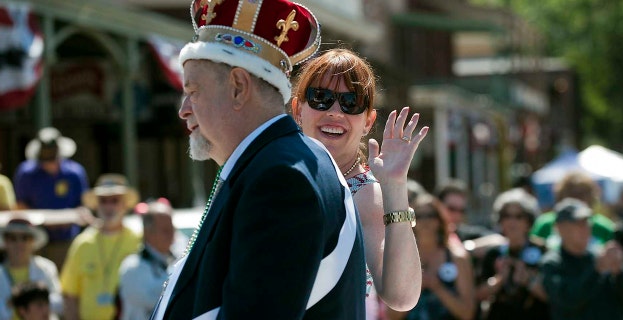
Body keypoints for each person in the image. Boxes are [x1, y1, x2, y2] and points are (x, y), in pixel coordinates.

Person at [152, 1, 366, 319]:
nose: (184, 109)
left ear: (239, 87)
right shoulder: (280, 163)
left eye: (193, 90)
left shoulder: (279, 178)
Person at [291, 48, 425, 314]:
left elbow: (402, 297)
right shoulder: (278, 176)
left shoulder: (366, 195)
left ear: (368, 121)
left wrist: (395, 186)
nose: (335, 112)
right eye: (321, 98)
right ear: (297, 109)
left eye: (350, 102)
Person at [539, 198, 623, 320]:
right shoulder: (552, 263)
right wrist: (597, 270)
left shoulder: (598, 256)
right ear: (560, 228)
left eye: (586, 222)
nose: (585, 228)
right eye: (577, 224)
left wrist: (619, 273)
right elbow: (568, 299)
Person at [60, 174, 141, 320]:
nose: (108, 206)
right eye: (103, 201)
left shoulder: (138, 241)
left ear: (124, 205)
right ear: (97, 205)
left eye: (114, 200)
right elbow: (70, 295)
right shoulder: (82, 243)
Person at [387, 192, 476, 320]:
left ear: (440, 220)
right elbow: (392, 315)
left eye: (430, 215)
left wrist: (437, 287)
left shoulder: (457, 258)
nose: (425, 221)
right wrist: (414, 289)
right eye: (419, 216)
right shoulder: (401, 260)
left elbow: (467, 313)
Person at [12, 127, 90, 267]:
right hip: (35, 241)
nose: (49, 163)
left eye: (52, 157)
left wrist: (70, 218)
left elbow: (83, 205)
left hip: (67, 240)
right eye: (45, 158)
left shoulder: (75, 173)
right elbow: (20, 205)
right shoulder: (25, 174)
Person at [476, 188, 549, 320]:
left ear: (528, 221)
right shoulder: (494, 253)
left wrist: (528, 281)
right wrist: (500, 279)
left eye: (518, 216)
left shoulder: (543, 251)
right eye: (506, 216)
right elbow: (477, 295)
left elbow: (553, 297)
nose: (512, 222)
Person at [118, 198, 175, 320]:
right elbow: (164, 300)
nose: (172, 233)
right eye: (165, 230)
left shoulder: (176, 260)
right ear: (148, 232)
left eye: (172, 228)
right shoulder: (132, 268)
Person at [530, 172, 615, 251]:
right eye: (571, 194)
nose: (576, 200)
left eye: (581, 195)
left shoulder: (604, 227)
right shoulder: (545, 224)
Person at [0, 216, 62, 320]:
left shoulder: (46, 268)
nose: (19, 243)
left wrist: (34, 302)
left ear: (33, 241)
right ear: (5, 242)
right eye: (12, 238)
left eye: (25, 238)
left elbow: (60, 303)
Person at [436, 179, 495, 244]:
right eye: (451, 209)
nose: (457, 215)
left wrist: (468, 247)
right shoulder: (425, 236)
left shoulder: (464, 235)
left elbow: (496, 239)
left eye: (462, 211)